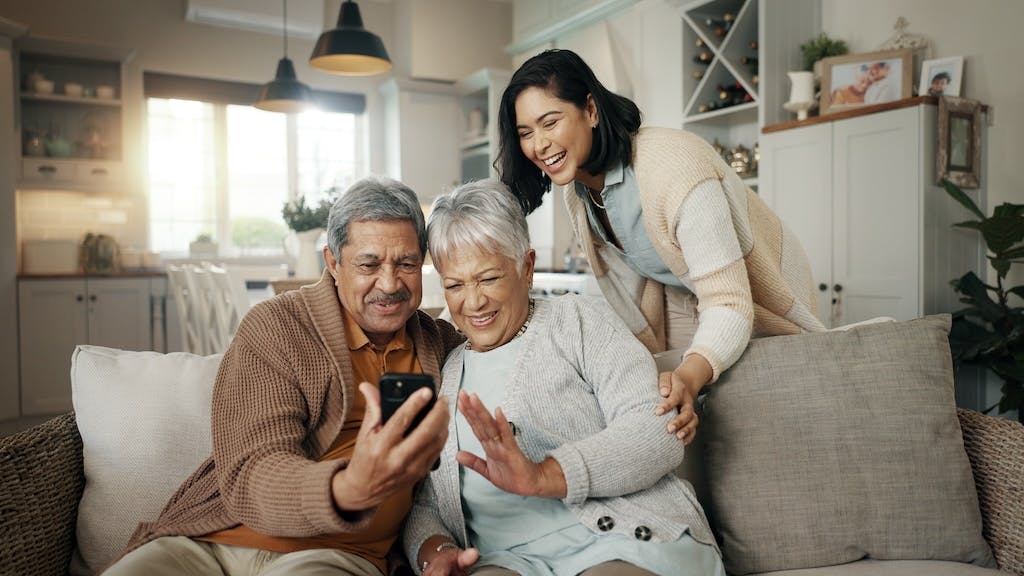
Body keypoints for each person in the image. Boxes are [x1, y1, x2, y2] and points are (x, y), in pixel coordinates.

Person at [104, 177, 464, 576]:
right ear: (332, 263)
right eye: (369, 264)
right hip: (211, 544)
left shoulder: (442, 346)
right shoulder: (278, 327)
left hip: (334, 557)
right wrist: (348, 489)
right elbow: (254, 468)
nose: (390, 283)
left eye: (407, 264)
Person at [496, 49, 825, 444]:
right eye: (526, 133)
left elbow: (730, 302)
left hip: (760, 294)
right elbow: (633, 298)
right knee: (674, 409)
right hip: (687, 295)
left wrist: (690, 373)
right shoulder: (578, 193)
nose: (539, 144)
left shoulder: (676, 166)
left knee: (759, 420)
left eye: (550, 122)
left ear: (591, 110)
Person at [404, 179, 723, 576]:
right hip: (505, 562)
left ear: (526, 268)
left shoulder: (579, 321)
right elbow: (426, 503)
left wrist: (545, 476)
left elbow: (657, 431)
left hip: (622, 541)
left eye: (488, 279)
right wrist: (435, 552)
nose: (474, 302)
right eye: (454, 285)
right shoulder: (443, 364)